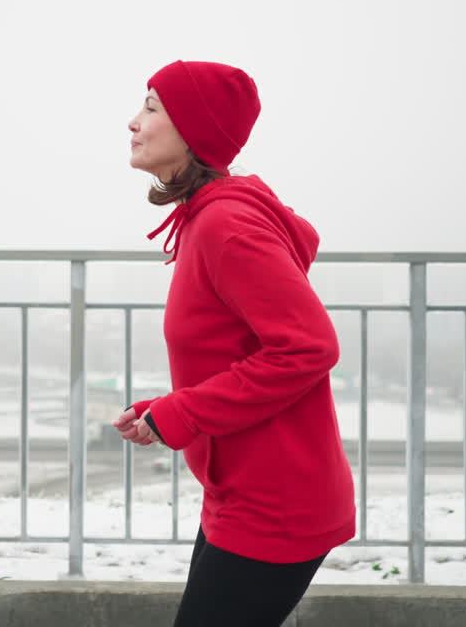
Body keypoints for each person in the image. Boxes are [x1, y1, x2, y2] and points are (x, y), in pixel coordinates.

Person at [112, 60, 356, 627]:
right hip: (241, 488)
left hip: (276, 501)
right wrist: (165, 411)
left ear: (192, 130)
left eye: (150, 108)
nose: (133, 122)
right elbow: (235, 350)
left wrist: (186, 411)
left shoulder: (226, 227)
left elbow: (307, 348)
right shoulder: (206, 219)